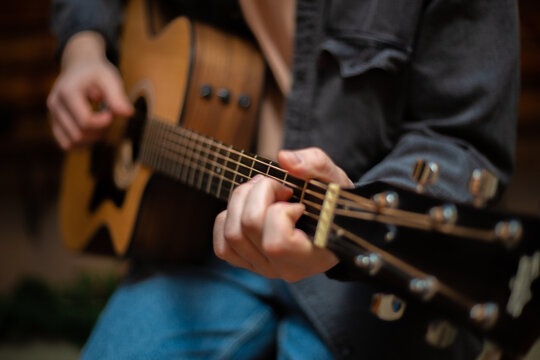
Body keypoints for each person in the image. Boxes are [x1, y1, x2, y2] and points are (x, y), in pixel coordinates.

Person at [47, 0, 520, 359]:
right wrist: (83, 48)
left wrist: (350, 220)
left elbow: (461, 140)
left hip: (365, 264)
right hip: (194, 237)